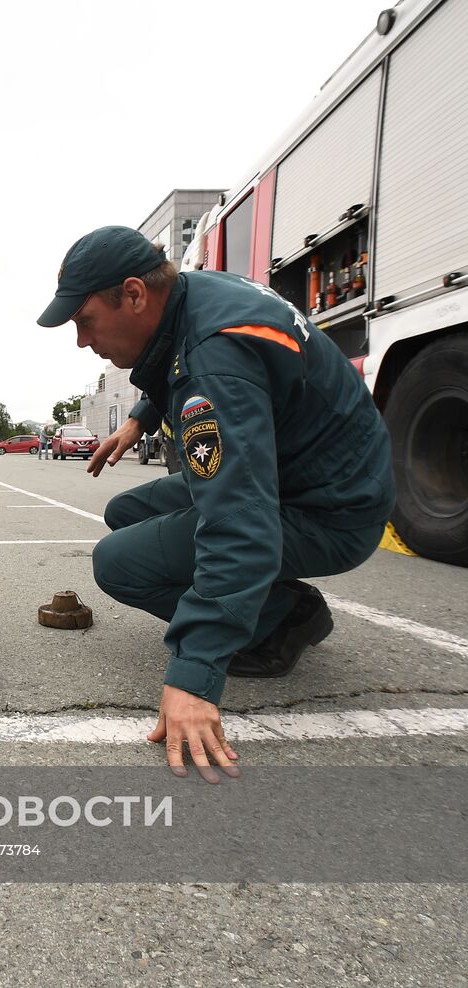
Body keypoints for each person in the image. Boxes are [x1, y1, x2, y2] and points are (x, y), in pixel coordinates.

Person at [37, 226, 394, 780]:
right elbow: (174, 355)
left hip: (331, 510)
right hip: (308, 475)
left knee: (117, 563)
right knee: (126, 513)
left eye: (84, 321)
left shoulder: (214, 363)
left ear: (133, 295)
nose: (82, 341)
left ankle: (283, 618)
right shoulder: (196, 294)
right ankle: (265, 597)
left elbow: (239, 524)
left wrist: (194, 675)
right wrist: (140, 418)